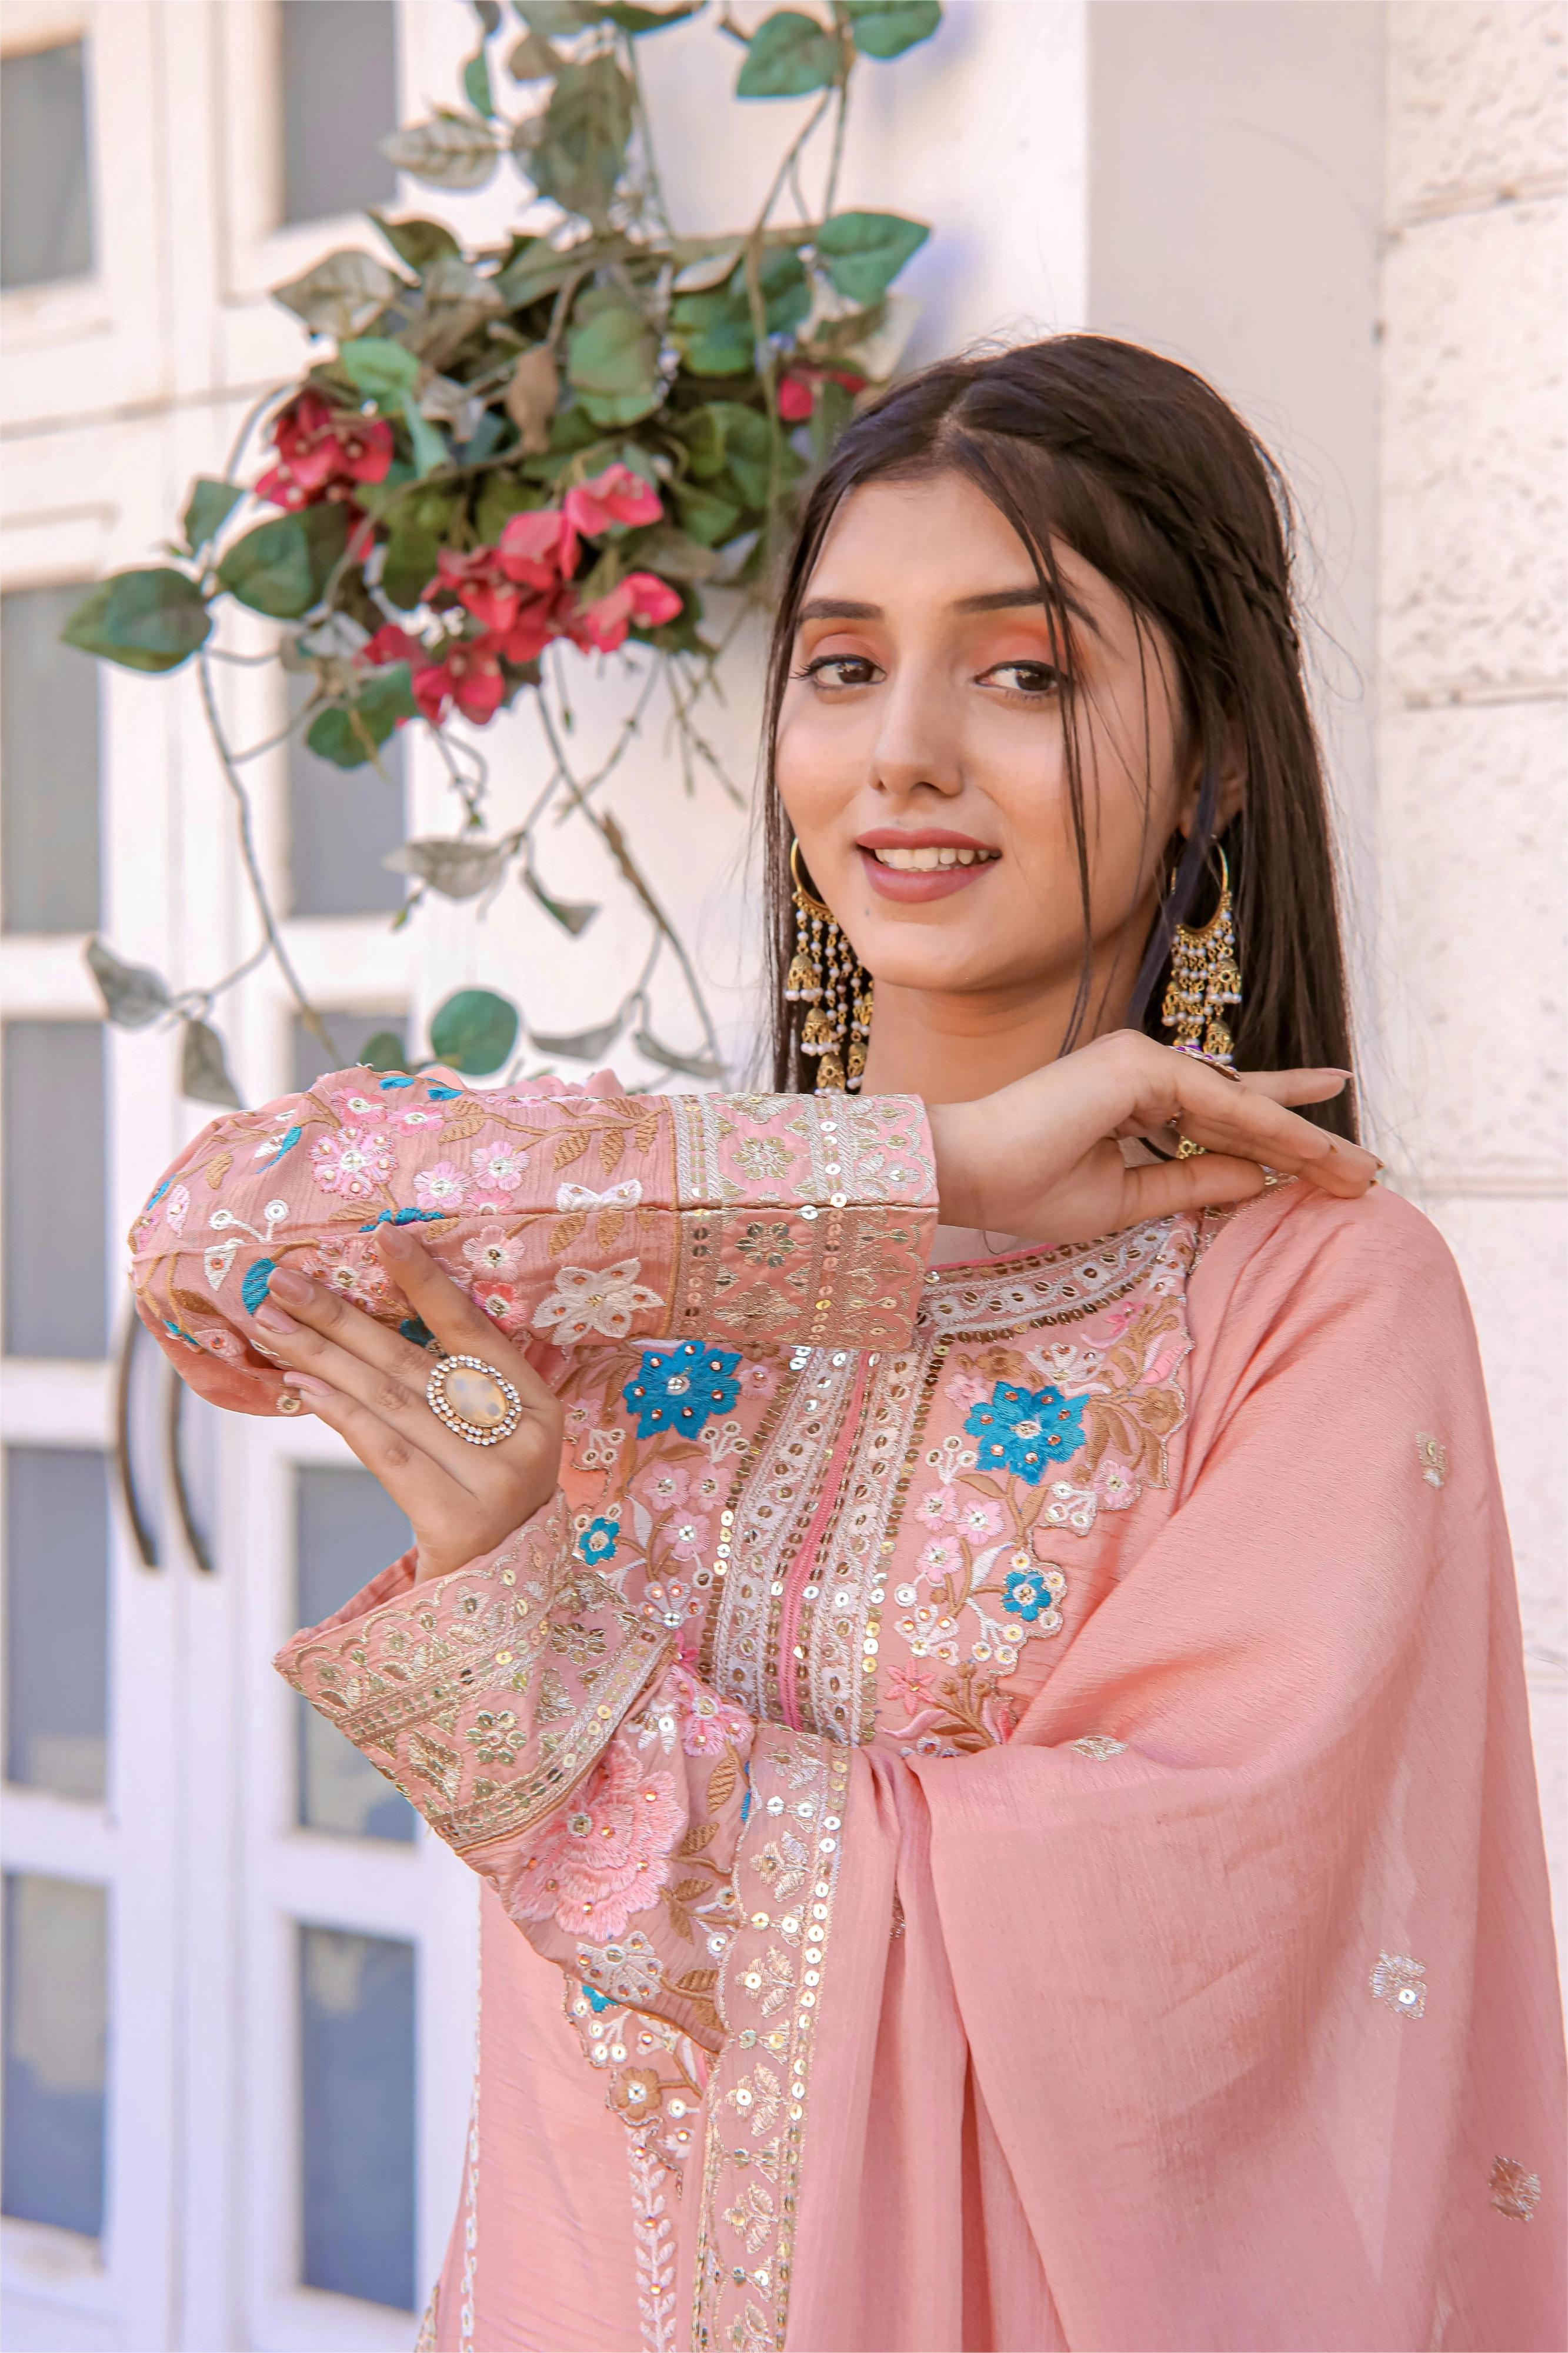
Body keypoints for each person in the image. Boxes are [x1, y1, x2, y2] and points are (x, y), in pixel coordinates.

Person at [132, 338, 1568, 2350]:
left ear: (1218, 763)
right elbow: (217, 1244)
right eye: (839, 665)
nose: (901, 754)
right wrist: (921, 1179)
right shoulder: (677, 1232)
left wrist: (543, 1667)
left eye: (1025, 673)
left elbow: (1193, 1961)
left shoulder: (1310, 1289)